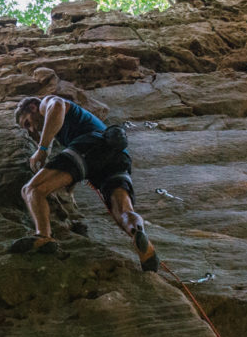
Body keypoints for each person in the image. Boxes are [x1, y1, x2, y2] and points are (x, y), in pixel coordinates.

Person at [12, 95, 159, 272]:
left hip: (90, 145)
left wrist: (42, 149)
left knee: (31, 189)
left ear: (33, 107)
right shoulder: (65, 127)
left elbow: (57, 106)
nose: (31, 130)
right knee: (123, 210)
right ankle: (141, 239)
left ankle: (43, 236)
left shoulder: (45, 103)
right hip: (117, 155)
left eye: (28, 123)